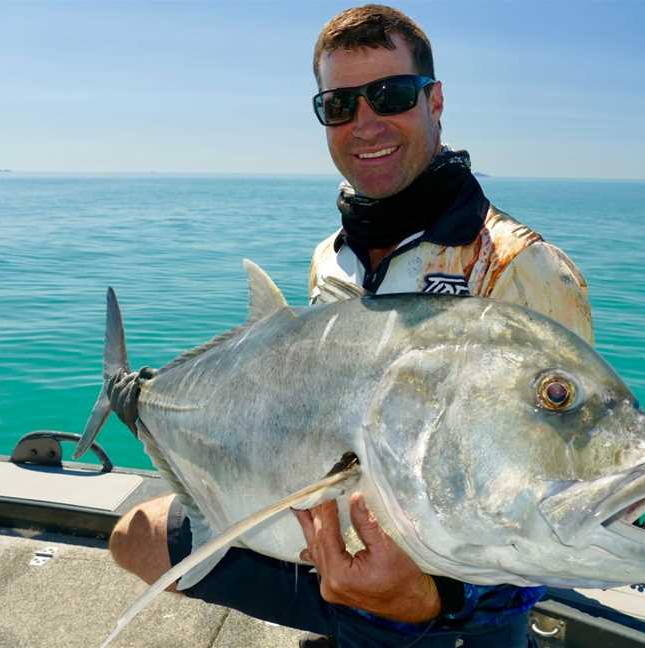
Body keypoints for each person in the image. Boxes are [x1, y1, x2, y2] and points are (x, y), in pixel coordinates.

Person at [109, 5, 594, 646]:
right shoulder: (331, 258)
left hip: (449, 613)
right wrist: (151, 405)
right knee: (133, 536)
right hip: (327, 560)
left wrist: (425, 597)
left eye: (390, 95)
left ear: (435, 101)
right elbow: (296, 407)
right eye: (339, 105)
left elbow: (557, 503)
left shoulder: (524, 268)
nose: (365, 123)